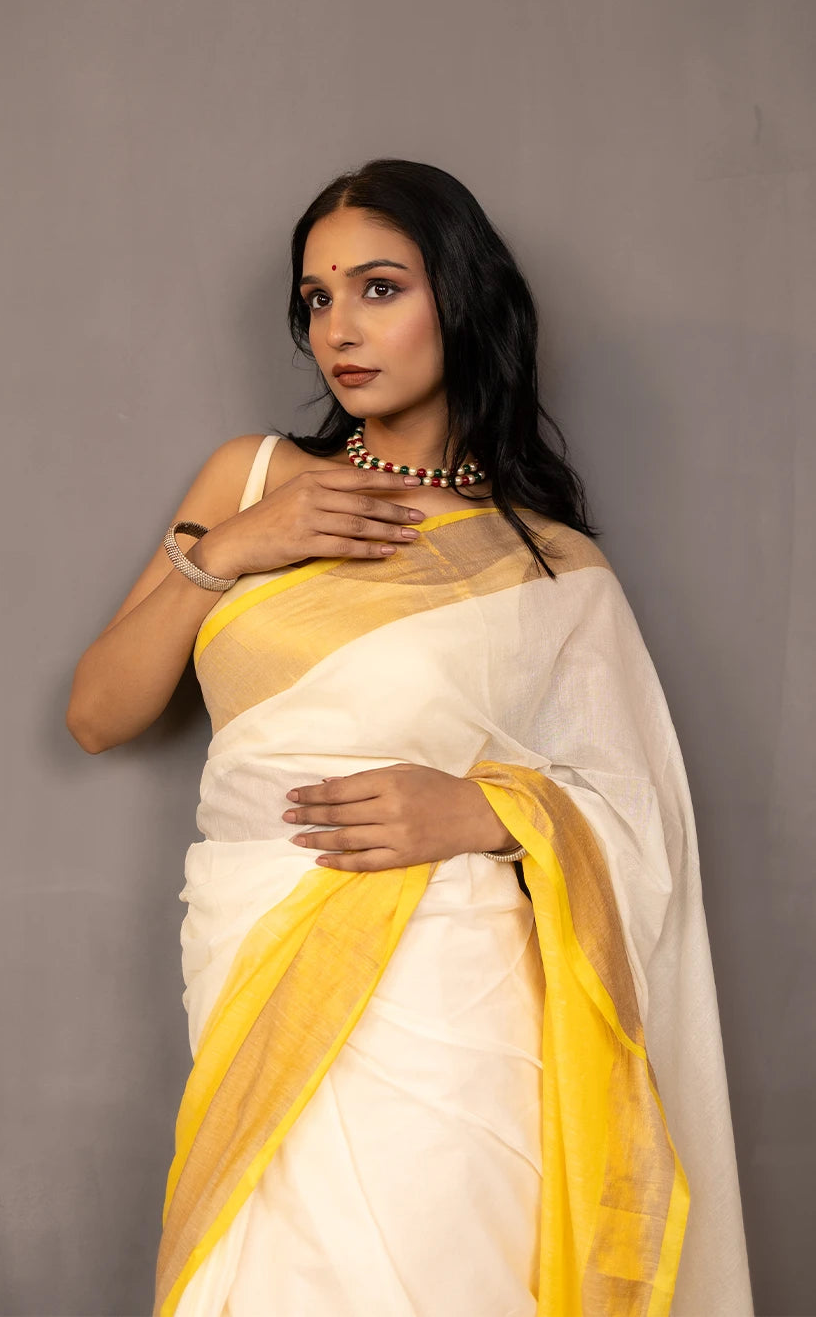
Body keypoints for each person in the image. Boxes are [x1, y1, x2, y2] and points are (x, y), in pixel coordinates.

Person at [66, 158, 754, 1317]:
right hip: (252, 946)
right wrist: (240, 545)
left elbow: (645, 812)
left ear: (463, 296)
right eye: (317, 299)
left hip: (452, 990)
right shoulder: (253, 478)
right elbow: (99, 714)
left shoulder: (547, 563)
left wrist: (489, 811)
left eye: (378, 287)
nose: (339, 327)